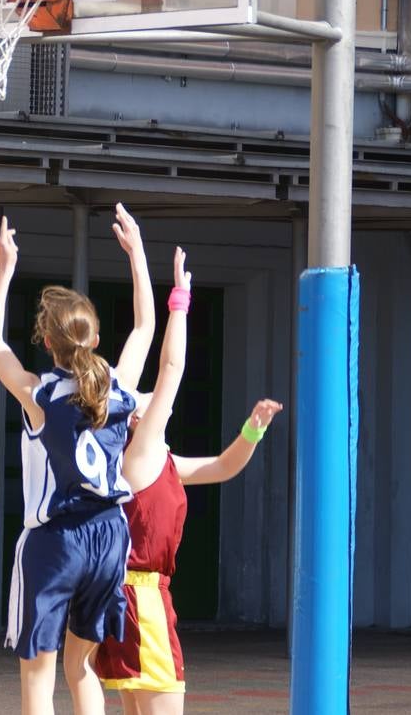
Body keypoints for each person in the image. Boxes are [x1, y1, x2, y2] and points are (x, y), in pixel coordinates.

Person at [0, 203, 155, 715]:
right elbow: (145, 325)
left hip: (56, 539)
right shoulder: (117, 386)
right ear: (95, 339)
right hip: (110, 534)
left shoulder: (40, 394)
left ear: (47, 341)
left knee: (38, 673)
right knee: (82, 667)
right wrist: (137, 253)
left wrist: (6, 268)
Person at [94, 248, 283, 715]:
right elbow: (171, 370)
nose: (155, 402)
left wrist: (254, 429)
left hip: (134, 596)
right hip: (139, 596)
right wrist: (179, 300)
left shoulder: (161, 461)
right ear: (137, 419)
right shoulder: (136, 457)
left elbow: (223, 466)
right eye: (145, 402)